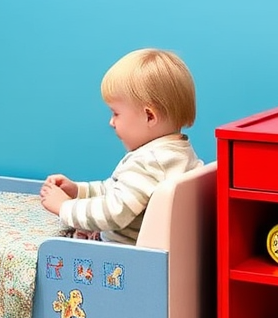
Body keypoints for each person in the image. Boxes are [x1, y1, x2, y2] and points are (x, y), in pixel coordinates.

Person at [40, 48, 202, 244]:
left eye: (116, 113)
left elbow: (112, 213)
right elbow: (117, 190)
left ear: (149, 116)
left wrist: (63, 206)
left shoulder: (149, 162)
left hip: (122, 259)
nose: (111, 122)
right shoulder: (177, 153)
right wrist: (78, 191)